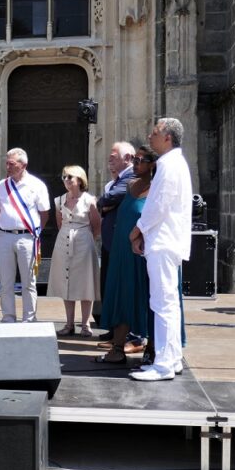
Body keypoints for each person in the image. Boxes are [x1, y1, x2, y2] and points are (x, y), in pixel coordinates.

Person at [130, 118, 192, 381]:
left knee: (162, 302)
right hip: (168, 240)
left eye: (155, 132)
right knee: (168, 302)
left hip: (163, 241)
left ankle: (164, 365)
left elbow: (158, 205)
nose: (150, 136)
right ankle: (173, 358)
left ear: (167, 137)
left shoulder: (168, 164)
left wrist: (138, 229)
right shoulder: (175, 163)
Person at [95, 147, 157, 363]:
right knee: (121, 297)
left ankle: (151, 348)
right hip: (122, 250)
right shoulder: (130, 184)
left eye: (140, 160)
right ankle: (117, 349)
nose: (135, 164)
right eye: (135, 159)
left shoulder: (157, 188)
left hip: (141, 252)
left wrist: (136, 234)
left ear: (153, 164)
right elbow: (105, 203)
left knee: (146, 298)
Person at [0, 148, 50, 323]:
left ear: (23, 165)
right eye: (7, 163)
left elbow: (44, 213)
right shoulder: (2, 185)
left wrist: (36, 233)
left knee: (28, 281)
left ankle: (29, 318)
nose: (8, 167)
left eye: (11, 164)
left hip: (27, 237)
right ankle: (8, 317)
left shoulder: (37, 185)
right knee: (5, 282)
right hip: (5, 236)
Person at [48, 165, 101, 336]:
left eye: (70, 176)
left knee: (86, 283)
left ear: (79, 179)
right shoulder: (59, 200)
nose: (66, 180)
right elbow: (60, 223)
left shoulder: (89, 200)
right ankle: (69, 323)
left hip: (84, 242)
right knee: (67, 281)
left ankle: (85, 324)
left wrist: (85, 239)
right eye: (64, 177)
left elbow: (96, 225)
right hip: (63, 241)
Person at [95, 142, 135, 338]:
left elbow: (109, 198)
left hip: (122, 243)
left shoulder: (131, 177)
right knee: (109, 287)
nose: (109, 160)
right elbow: (104, 203)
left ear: (127, 158)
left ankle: (125, 334)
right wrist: (104, 204)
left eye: (113, 157)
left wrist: (104, 203)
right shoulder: (117, 180)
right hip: (111, 242)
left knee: (121, 289)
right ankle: (114, 331)